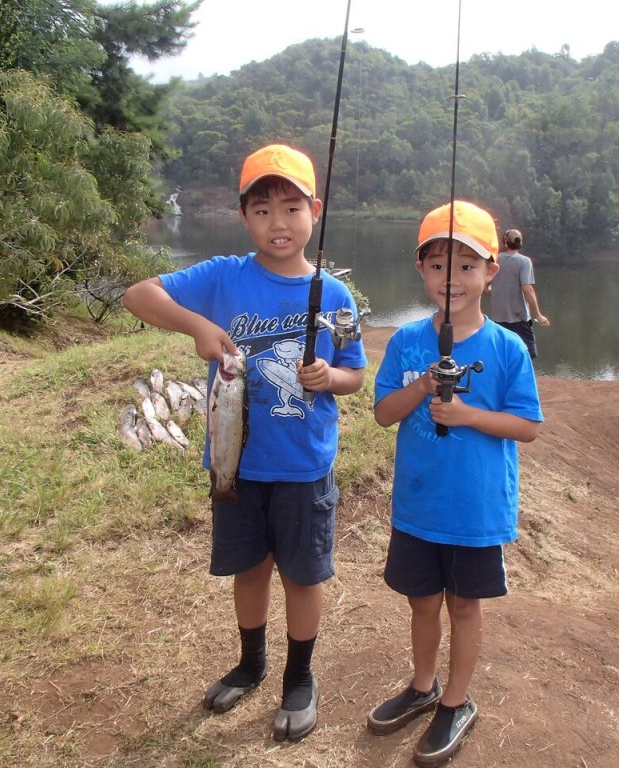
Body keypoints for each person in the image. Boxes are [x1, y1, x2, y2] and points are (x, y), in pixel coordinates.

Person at [122, 143, 367, 742]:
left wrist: (328, 378)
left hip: (305, 465)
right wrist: (201, 326)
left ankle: (299, 676)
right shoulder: (224, 277)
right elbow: (137, 294)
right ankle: (252, 661)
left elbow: (356, 375)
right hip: (236, 464)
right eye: (262, 210)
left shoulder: (334, 297)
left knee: (303, 577)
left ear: (316, 209)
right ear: (244, 216)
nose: (277, 223)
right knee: (250, 570)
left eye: (290, 207)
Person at [367, 201, 543, 766]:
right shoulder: (405, 341)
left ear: (492, 274)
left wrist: (468, 415)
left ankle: (457, 701)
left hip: (475, 509)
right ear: (421, 271)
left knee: (464, 607)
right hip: (418, 506)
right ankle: (423, 687)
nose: (453, 279)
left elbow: (528, 426)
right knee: (422, 603)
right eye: (439, 265)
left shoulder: (507, 348)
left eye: (468, 266)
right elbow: (383, 413)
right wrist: (421, 387)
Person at [489, 228, 550, 359]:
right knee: (527, 354)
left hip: (498, 317)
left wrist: (497, 291)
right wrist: (538, 315)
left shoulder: (495, 260)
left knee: (503, 355)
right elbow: (527, 288)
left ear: (505, 242)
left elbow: (484, 288)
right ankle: (521, 378)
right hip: (519, 317)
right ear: (520, 243)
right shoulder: (524, 261)